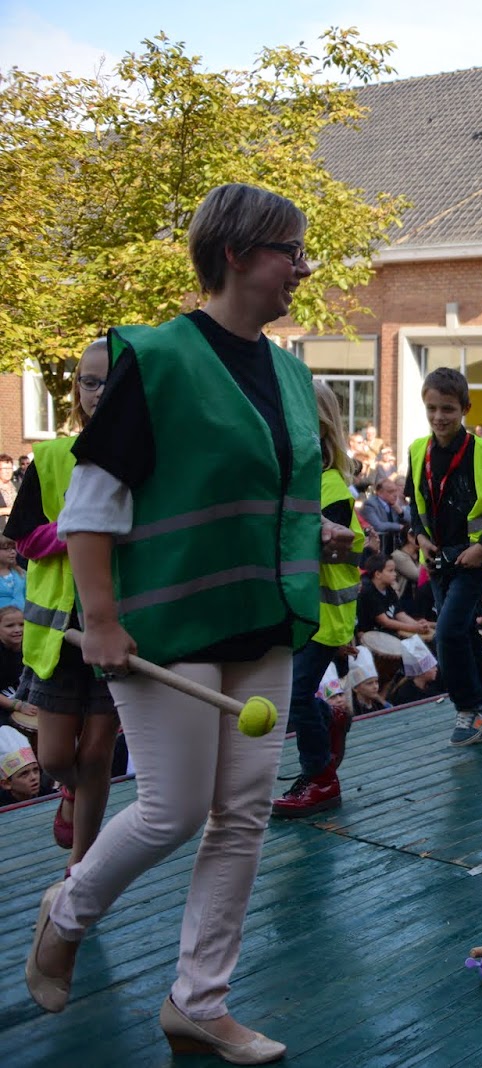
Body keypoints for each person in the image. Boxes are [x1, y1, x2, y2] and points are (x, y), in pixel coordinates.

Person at [27, 183, 348, 1063]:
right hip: (166, 625)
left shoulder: (291, 374)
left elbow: (259, 493)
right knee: (171, 811)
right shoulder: (157, 359)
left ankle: (198, 1003)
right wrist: (99, 619)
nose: (303, 269)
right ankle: (67, 913)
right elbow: (91, 507)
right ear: (237, 254)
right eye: (290, 250)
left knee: (242, 816)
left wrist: (312, 531)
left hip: (263, 623)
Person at [3, 340, 120, 862]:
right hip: (58, 635)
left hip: (118, 631)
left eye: (110, 381)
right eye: (88, 382)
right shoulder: (51, 457)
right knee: (54, 758)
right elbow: (25, 540)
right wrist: (81, 528)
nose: (97, 392)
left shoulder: (148, 462)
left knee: (96, 754)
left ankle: (81, 869)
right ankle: (70, 791)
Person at [405, 366, 482, 747]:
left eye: (448, 409)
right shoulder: (417, 451)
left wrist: (481, 548)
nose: (439, 417)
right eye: (432, 408)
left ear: (466, 409)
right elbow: (415, 504)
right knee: (466, 634)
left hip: (473, 561)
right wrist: (420, 537)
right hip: (437, 561)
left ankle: (468, 708)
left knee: (448, 632)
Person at [270, 382, 363, 819]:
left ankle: (321, 778)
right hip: (302, 613)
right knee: (295, 694)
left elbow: (322, 550)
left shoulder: (331, 488)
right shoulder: (303, 481)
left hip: (324, 616)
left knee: (294, 696)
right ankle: (328, 719)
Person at [357, 558, 433, 642]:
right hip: (370, 634)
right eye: (390, 571)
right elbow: (384, 621)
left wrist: (417, 624)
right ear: (378, 574)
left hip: (386, 633)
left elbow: (399, 613)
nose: (395, 574)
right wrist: (413, 628)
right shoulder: (368, 591)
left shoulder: (388, 588)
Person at [360, 477, 408, 557]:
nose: (395, 495)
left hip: (394, 547)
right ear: (379, 492)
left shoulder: (395, 503)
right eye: (390, 491)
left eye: (395, 491)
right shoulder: (370, 504)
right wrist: (399, 526)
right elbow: (378, 526)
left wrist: (400, 511)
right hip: (378, 548)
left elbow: (410, 520)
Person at [1, 723, 43, 805]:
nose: (33, 777)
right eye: (24, 774)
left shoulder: (50, 795)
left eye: (35, 770)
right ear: (7, 784)